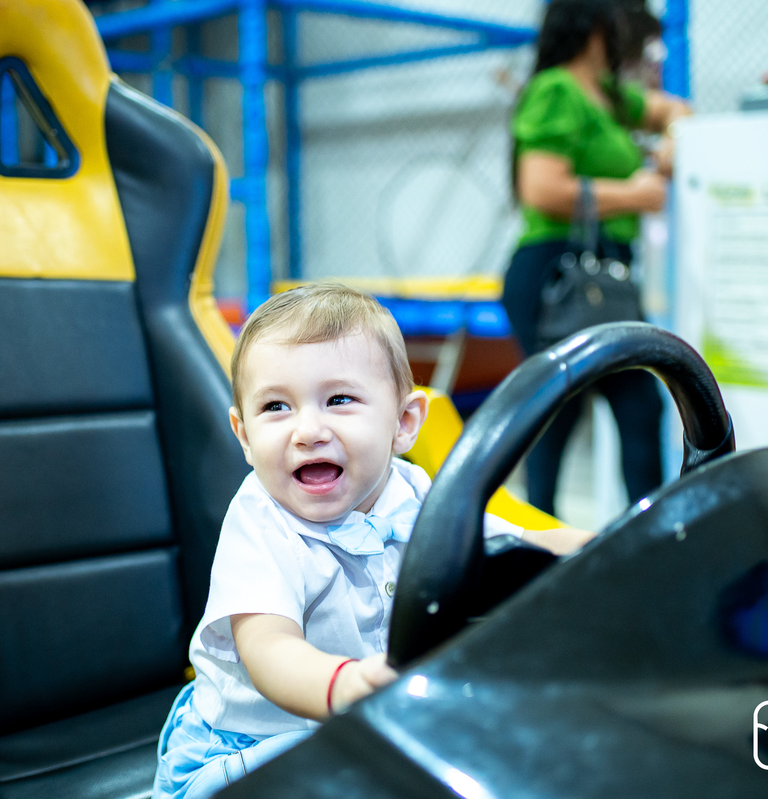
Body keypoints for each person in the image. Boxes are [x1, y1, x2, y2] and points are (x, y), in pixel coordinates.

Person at [154, 283, 594, 798]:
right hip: (258, 745)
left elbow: (516, 543)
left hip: (371, 723)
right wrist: (344, 684)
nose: (308, 431)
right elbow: (269, 650)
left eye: (339, 400)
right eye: (276, 407)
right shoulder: (260, 522)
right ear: (245, 435)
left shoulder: (412, 490)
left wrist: (616, 538)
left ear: (404, 424)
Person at [500, 0, 691, 516]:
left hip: (605, 268)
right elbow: (540, 188)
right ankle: (543, 538)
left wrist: (672, 140)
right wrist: (635, 193)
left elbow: (676, 110)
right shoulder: (556, 89)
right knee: (558, 414)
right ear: (598, 27)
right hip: (555, 270)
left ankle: (645, 536)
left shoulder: (608, 96)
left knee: (635, 405)